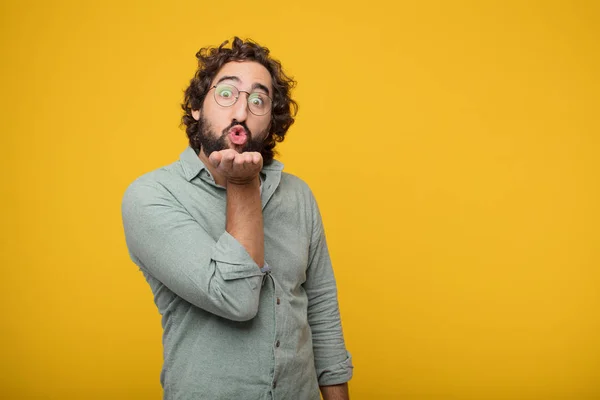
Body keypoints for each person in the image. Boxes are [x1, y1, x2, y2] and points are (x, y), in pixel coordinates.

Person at [121, 37, 352, 400]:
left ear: (271, 123)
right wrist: (242, 183)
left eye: (258, 100)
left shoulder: (298, 195)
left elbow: (321, 309)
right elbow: (236, 299)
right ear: (197, 107)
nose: (241, 112)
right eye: (227, 94)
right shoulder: (152, 196)